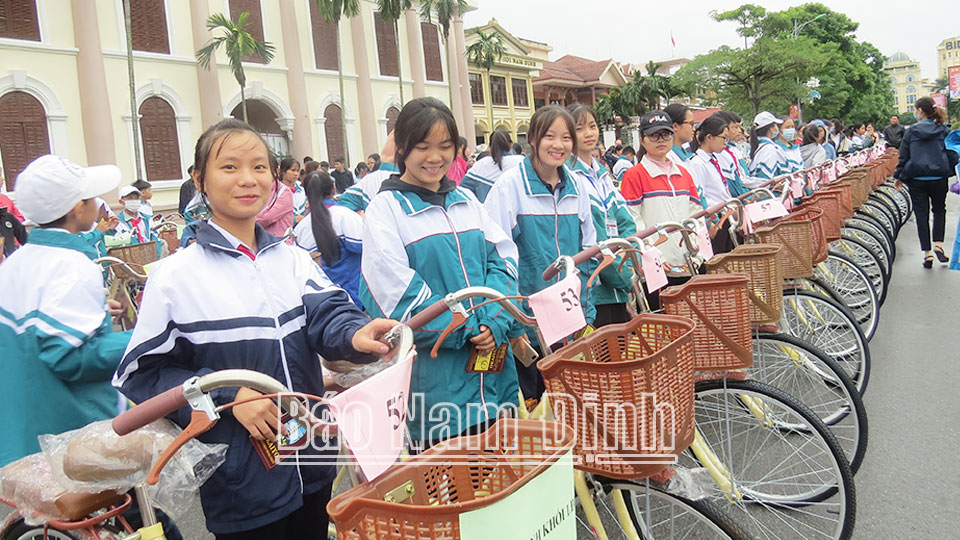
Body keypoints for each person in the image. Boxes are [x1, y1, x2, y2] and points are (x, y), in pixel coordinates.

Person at [113, 119, 396, 539]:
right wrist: (228, 397)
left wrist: (356, 333)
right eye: (229, 167)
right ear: (200, 180)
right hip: (242, 483)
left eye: (259, 167)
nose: (248, 179)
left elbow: (329, 313)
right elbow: (144, 376)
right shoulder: (175, 278)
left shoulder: (291, 258)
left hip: (312, 459)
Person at [359, 98, 520, 448]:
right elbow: (396, 295)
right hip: (438, 387)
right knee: (449, 477)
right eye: (423, 147)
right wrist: (467, 328)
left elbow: (503, 259)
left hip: (494, 378)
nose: (435, 157)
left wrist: (493, 320)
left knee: (502, 469)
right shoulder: (386, 211)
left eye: (445, 146)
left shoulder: (467, 200)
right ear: (402, 147)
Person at [0, 155, 129, 466]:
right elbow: (69, 357)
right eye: (91, 197)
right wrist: (144, 337)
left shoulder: (17, 261)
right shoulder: (72, 265)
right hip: (69, 436)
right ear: (76, 208)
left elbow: (35, 326)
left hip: (20, 432)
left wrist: (96, 312)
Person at [484, 105, 597, 401]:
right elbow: (496, 257)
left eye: (566, 138)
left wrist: (587, 314)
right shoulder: (509, 187)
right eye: (549, 136)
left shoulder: (578, 186)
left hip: (570, 321)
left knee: (572, 403)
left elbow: (587, 251)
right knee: (535, 406)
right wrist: (512, 323)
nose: (558, 145)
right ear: (533, 138)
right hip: (528, 325)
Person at [566, 103, 636, 326]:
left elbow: (625, 221)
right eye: (579, 128)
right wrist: (625, 276)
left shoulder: (603, 174)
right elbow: (591, 238)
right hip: (595, 289)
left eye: (592, 126)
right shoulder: (568, 177)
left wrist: (629, 260)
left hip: (618, 284)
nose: (588, 133)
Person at [620, 110, 702, 280]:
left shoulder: (684, 174)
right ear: (642, 140)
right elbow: (633, 221)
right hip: (656, 269)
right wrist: (654, 255)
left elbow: (696, 216)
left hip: (688, 264)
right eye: (653, 136)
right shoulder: (634, 175)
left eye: (665, 135)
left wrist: (697, 254)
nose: (660, 140)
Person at [894, 97, 959, 268]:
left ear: (920, 111)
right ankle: (939, 244)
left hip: (917, 178)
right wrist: (949, 170)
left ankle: (927, 253)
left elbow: (904, 156)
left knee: (921, 215)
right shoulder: (944, 130)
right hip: (938, 178)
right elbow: (952, 153)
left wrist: (899, 176)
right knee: (939, 210)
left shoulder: (911, 132)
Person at [295, 171, 363, 307]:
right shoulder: (347, 216)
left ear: (307, 195)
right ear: (333, 189)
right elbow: (364, 248)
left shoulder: (301, 228)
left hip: (320, 303)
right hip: (353, 297)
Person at [338, 132, 398, 213]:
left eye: (371, 163)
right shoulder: (371, 180)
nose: (369, 166)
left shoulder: (369, 180)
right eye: (368, 163)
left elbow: (343, 203)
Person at [460, 128, 524, 202]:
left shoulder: (481, 165)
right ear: (511, 145)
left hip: (485, 208)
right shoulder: (521, 162)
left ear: (490, 146)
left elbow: (463, 191)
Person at [686, 115, 731, 208]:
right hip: (717, 212)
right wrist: (724, 208)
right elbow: (701, 197)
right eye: (724, 138)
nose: (725, 143)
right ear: (709, 137)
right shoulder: (697, 163)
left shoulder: (713, 160)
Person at [712, 111, 752, 197]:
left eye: (739, 127)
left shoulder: (733, 150)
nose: (739, 131)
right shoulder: (720, 153)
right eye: (735, 127)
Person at [255, 161, 294, 237]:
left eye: (262, 169)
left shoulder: (284, 192)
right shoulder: (255, 190)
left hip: (278, 240)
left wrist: (245, 223)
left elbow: (267, 218)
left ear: (276, 171)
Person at [749, 111, 787, 181]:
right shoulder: (769, 148)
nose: (777, 128)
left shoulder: (758, 145)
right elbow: (765, 175)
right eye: (776, 125)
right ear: (771, 129)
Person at [278, 157, 306, 222]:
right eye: (293, 170)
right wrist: (294, 219)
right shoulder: (277, 191)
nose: (296, 174)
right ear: (283, 172)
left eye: (297, 171)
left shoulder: (302, 190)